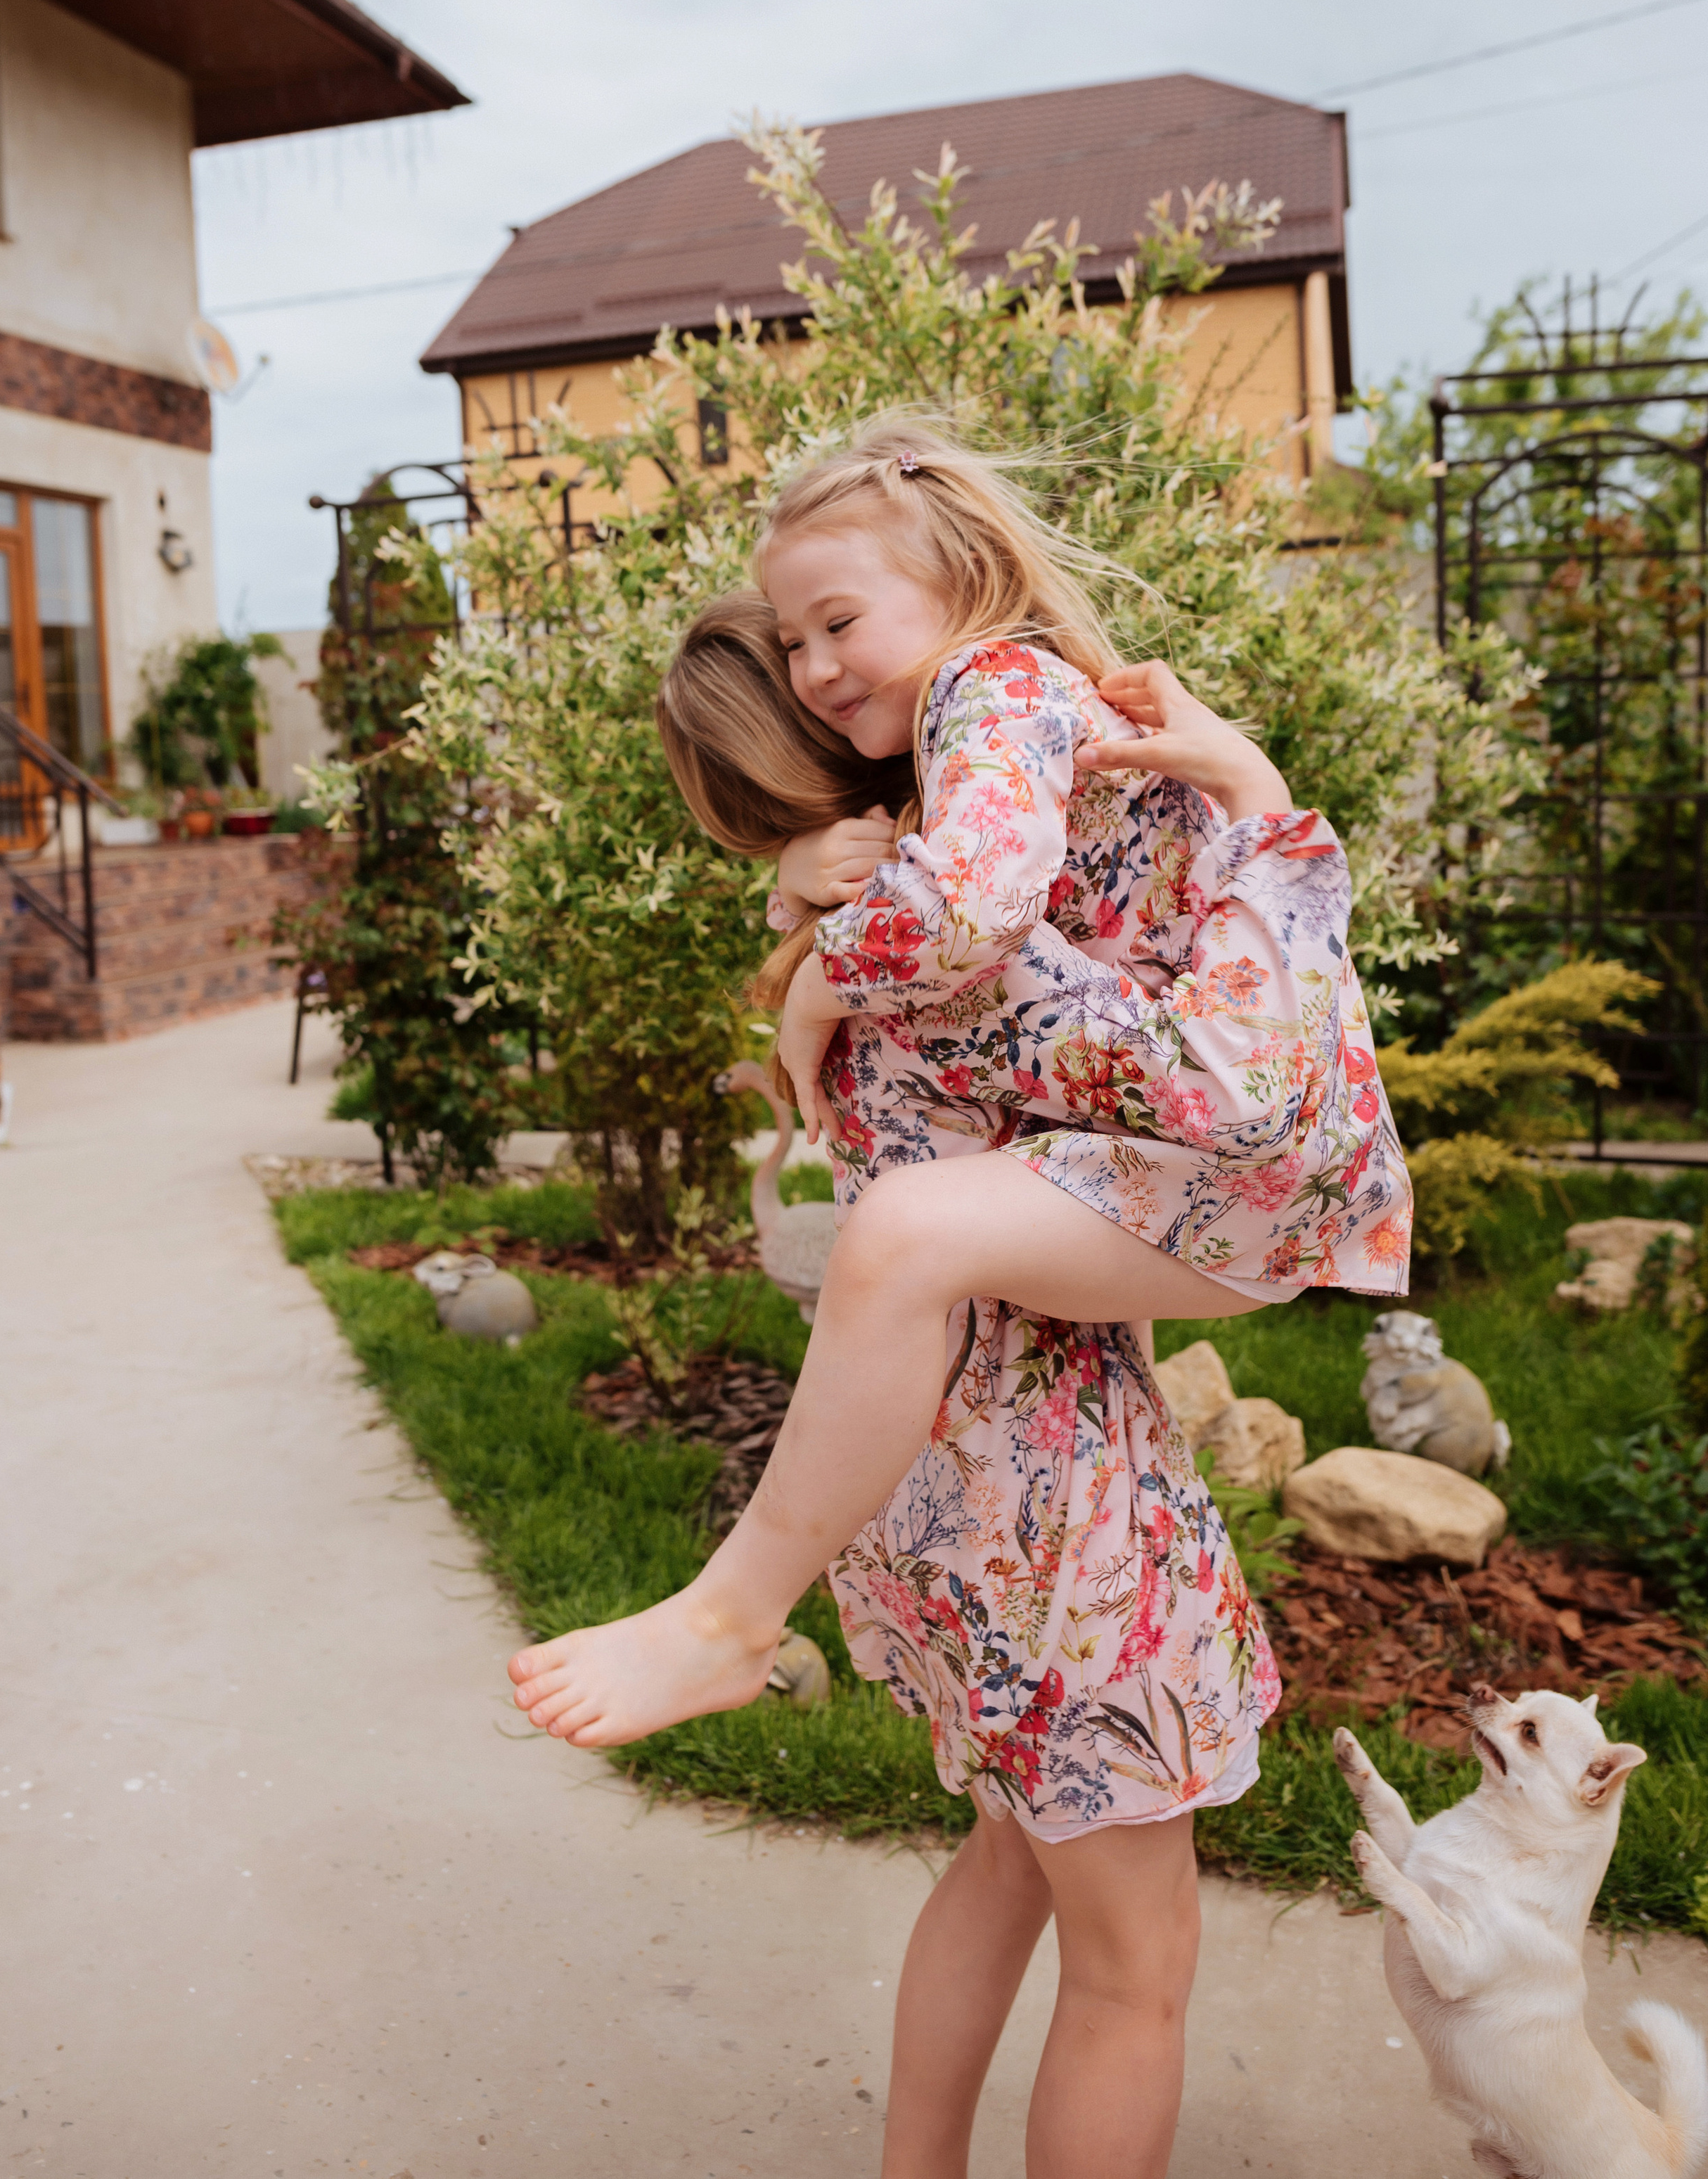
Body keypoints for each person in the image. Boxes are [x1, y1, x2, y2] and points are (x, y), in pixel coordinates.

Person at [511, 418, 1411, 2177]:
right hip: (1054, 1504)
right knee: (1134, 1974)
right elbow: (1165, 1075)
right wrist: (1244, 795)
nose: (822, 663)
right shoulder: (970, 840)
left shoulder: (891, 914)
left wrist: (798, 961)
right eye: (799, 646)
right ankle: (720, 1619)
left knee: (1004, 1859)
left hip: (910, 1498)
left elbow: (1055, 1104)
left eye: (832, 624)